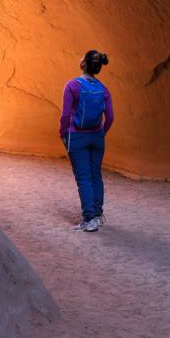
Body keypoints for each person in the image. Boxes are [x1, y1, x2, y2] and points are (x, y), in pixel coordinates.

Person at [60, 49, 114, 232]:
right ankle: (97, 215)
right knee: (95, 175)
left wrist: (63, 133)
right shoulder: (103, 88)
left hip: (77, 136)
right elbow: (111, 117)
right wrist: (101, 133)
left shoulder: (72, 86)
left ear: (83, 63)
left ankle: (89, 218)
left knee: (83, 178)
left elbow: (66, 115)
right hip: (97, 136)